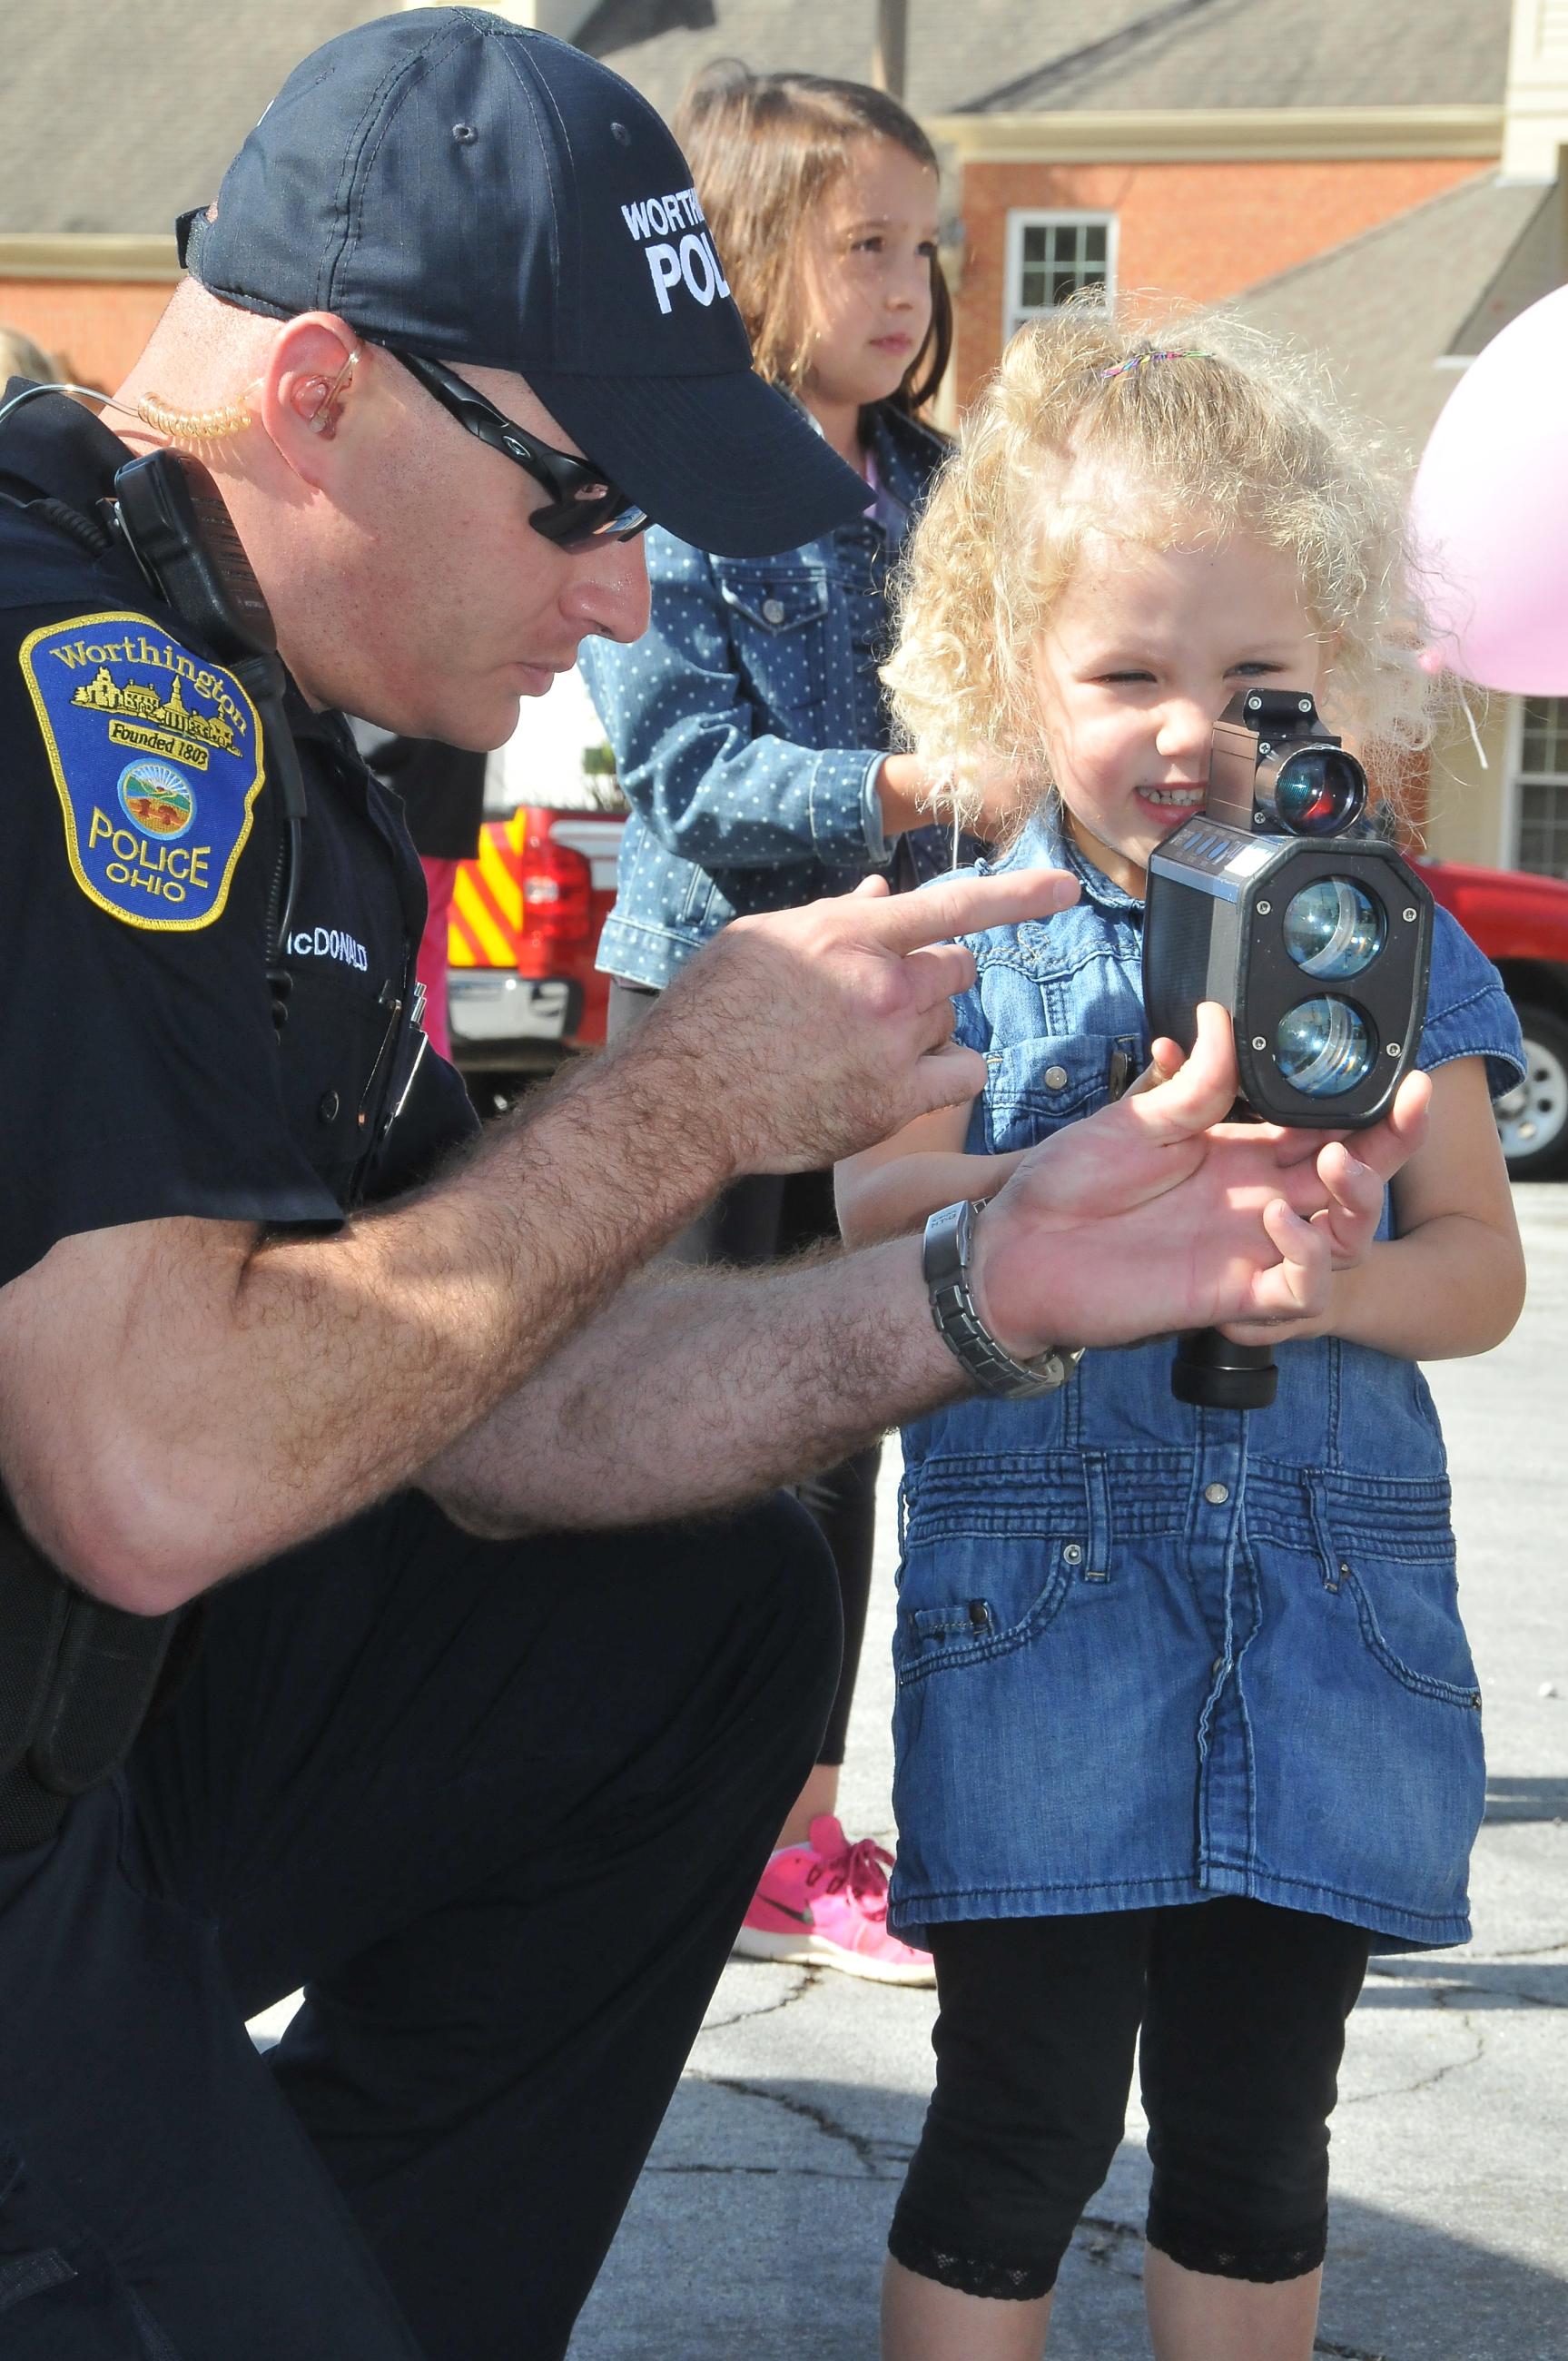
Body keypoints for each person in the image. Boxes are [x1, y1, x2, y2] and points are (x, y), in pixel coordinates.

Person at [0, 14, 1424, 2357]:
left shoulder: (294, 712)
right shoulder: (72, 673)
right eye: (586, 505)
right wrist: (680, 1099)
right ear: (322, 392)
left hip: (86, 1769)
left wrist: (982, 1280)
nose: (629, 604)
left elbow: (491, 1403)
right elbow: (148, 1464)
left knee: (701, 1616)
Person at [835, 314, 1527, 2361]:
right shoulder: (975, 925)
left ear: (1338, 679)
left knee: (1253, 2131)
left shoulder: (1388, 930)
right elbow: (874, 1202)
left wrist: (1334, 1284)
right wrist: (1075, 1190)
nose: (1189, 730)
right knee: (1016, 2117)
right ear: (1006, 672)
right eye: (1123, 673)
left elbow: (1476, 1259)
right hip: (1044, 1620)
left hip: (1322, 1626)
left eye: (1253, 682)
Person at [581, 63, 1006, 1984]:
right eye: (862, 246)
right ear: (751, 251)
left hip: (903, 1029)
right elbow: (685, 776)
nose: (907, 287)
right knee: (688, 1429)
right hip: (715, 1036)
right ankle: (645, 1800)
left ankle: (795, 1823)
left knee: (854, 1426)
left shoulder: (936, 492)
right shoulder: (679, 487)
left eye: (925, 248)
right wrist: (915, 793)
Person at [349, 726, 489, 1061]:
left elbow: (405, 750)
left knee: (414, 947)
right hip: (450, 837)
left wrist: (356, 757)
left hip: (420, 833)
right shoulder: (476, 714)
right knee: (432, 945)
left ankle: (422, 1053)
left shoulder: (442, 710)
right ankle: (434, 1053)